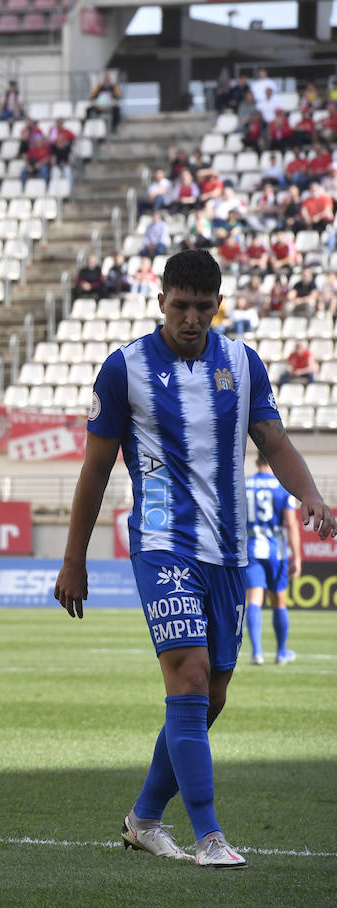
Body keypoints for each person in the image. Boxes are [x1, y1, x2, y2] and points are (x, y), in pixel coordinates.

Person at [54, 249, 336, 869]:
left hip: (229, 553)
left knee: (211, 699)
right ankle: (209, 835)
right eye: (179, 306)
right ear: (160, 301)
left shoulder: (242, 363)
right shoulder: (124, 368)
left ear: (217, 307)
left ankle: (144, 819)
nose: (190, 319)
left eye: (202, 309)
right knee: (186, 678)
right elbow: (96, 468)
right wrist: (73, 558)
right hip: (163, 545)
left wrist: (311, 493)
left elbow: (275, 441)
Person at [244, 455, 302, 666]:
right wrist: (297, 556)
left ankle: (257, 653)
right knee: (279, 601)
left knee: (254, 599)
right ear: (273, 462)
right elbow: (291, 525)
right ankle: (280, 652)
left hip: (251, 549)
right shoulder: (282, 487)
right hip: (276, 552)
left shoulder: (246, 485)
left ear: (257, 462)